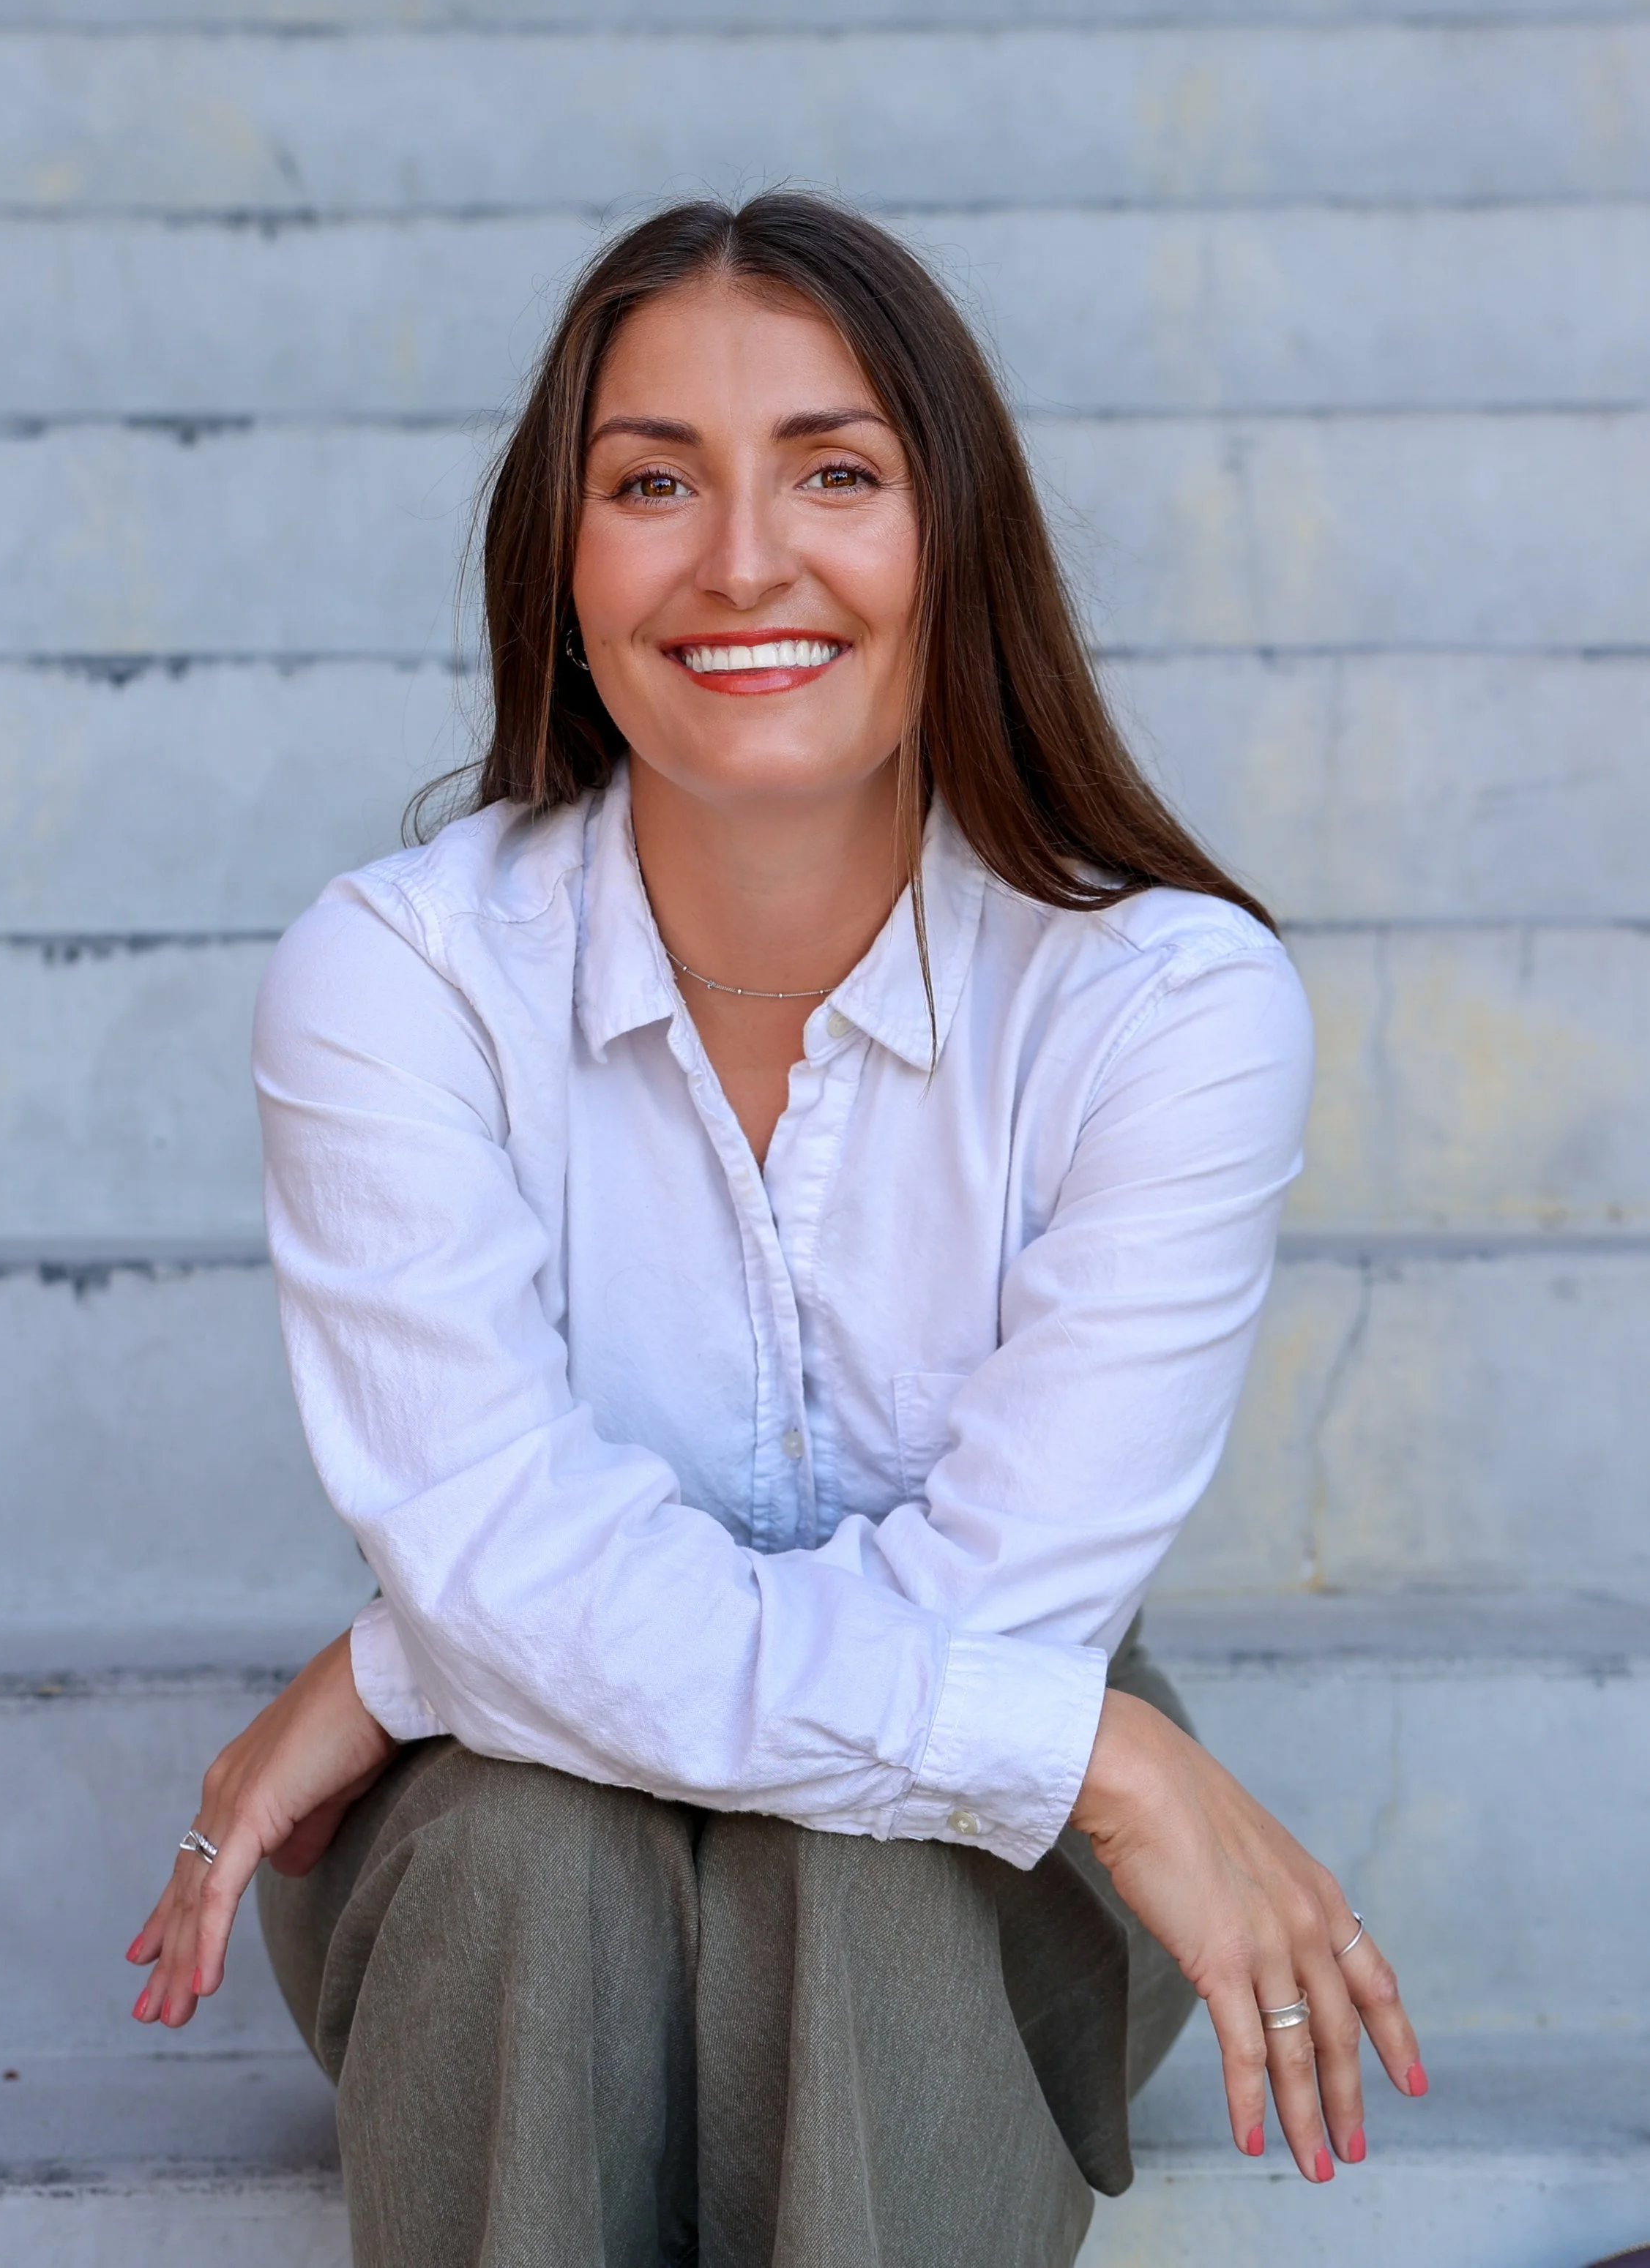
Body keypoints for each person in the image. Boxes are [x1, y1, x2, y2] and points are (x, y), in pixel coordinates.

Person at [126, 191, 1425, 2267]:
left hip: (971, 1894)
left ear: (956, 544)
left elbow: (987, 1619)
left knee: (870, 1872)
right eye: (654, 482)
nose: (743, 560)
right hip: (497, 1861)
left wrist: (411, 1653)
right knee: (537, 1852)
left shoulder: (1162, 1006)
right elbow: (558, 1585)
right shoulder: (398, 977)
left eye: (836, 472)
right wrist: (1103, 1760)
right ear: (561, 566)